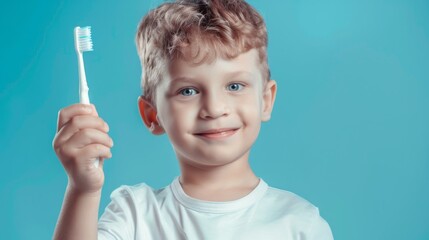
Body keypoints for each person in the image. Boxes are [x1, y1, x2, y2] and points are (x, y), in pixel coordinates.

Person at [52, 0, 334, 239]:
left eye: (234, 86)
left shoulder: (300, 224)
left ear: (265, 100)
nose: (214, 108)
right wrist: (83, 190)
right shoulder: (135, 214)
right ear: (152, 115)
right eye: (188, 91)